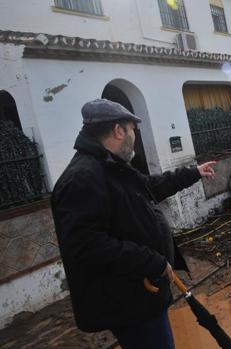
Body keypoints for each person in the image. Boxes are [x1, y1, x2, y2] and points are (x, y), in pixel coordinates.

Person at [51, 99, 216, 348]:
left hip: (141, 293)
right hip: (129, 300)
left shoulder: (112, 168)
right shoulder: (83, 178)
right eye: (132, 130)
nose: (134, 137)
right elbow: (88, 245)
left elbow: (150, 187)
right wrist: (153, 262)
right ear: (118, 131)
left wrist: (193, 173)